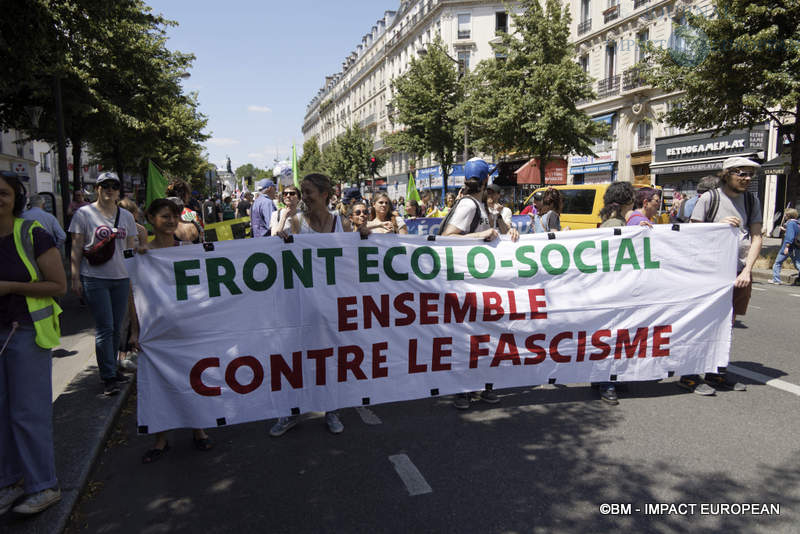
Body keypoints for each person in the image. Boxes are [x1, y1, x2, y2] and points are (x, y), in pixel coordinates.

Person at [0, 171, 66, 516]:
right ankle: (9, 483)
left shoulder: (32, 233)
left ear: (16, 198)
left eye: (3, 193)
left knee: (28, 413)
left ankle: (44, 486)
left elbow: (58, 285)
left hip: (25, 332)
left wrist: (10, 287)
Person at [271, 173, 357, 436]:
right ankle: (292, 411)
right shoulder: (296, 223)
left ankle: (331, 409)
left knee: (330, 360)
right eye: (302, 192)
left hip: (333, 307)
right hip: (302, 306)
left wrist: (365, 236)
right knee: (297, 360)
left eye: (308, 192)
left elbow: (353, 261)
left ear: (324, 194)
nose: (303, 197)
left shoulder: (342, 223)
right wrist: (282, 242)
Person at [129, 199, 213, 463]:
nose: (170, 221)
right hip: (156, 332)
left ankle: (199, 430)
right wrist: (134, 331)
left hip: (188, 329)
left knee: (194, 379)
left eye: (174, 216)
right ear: (151, 218)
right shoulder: (142, 255)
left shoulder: (188, 251)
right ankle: (161, 440)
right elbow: (135, 296)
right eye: (165, 216)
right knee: (158, 385)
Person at [441, 158, 519, 409]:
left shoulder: (479, 205)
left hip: (479, 285)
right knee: (467, 339)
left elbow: (496, 234)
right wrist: (480, 235)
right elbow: (447, 238)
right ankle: (462, 390)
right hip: (465, 285)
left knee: (484, 338)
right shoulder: (468, 204)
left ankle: (483, 384)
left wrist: (510, 233)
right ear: (485, 180)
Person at [682, 156, 763, 395]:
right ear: (726, 173)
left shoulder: (751, 200)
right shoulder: (710, 198)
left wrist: (747, 270)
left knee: (727, 325)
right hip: (709, 274)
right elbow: (691, 235)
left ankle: (716, 372)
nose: (747, 178)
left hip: (738, 272)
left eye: (750, 174)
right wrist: (718, 227)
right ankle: (689, 374)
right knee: (702, 323)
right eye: (742, 173)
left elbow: (757, 236)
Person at [68, 172, 137, 396]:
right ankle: (107, 376)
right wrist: (75, 276)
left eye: (114, 186)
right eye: (105, 185)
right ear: (97, 188)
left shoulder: (126, 216)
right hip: (95, 278)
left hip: (121, 277)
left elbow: (130, 248)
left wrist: (134, 274)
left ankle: (112, 367)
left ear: (119, 191)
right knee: (105, 327)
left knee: (117, 327)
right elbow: (76, 247)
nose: (110, 189)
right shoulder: (84, 214)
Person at [592, 181, 640, 405]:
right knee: (611, 335)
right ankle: (606, 382)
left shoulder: (615, 221)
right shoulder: (615, 223)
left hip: (611, 288)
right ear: (626, 200)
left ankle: (604, 378)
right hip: (612, 290)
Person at [770, 208, 799, 285]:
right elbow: (794, 232)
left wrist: (787, 246)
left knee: (777, 263)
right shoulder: (797, 223)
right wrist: (784, 229)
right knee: (797, 264)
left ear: (788, 215)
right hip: (796, 247)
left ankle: (776, 280)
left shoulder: (790, 223)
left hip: (788, 247)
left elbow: (790, 236)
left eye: (786, 214)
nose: (785, 216)